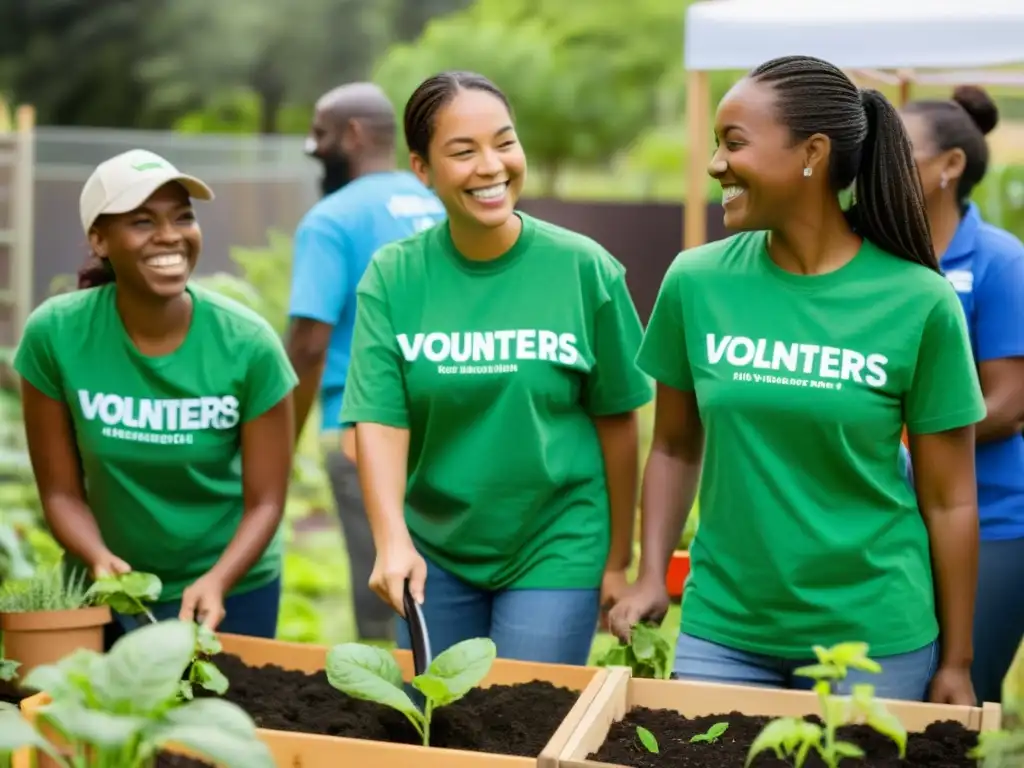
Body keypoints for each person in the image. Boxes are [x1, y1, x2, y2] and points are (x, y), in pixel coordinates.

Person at [609, 55, 986, 704]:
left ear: (812, 153)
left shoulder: (921, 302)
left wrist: (956, 660)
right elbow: (673, 445)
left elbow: (950, 499)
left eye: (734, 143)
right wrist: (649, 577)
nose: (715, 164)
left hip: (872, 640)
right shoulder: (696, 281)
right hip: (723, 632)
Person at [339, 71, 654, 665]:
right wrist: (392, 540)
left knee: (523, 718)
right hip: (434, 545)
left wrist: (617, 559)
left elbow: (617, 420)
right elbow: (378, 421)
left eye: (504, 143)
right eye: (463, 151)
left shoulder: (584, 270)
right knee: (439, 723)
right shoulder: (394, 276)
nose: (492, 166)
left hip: (555, 541)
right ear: (422, 169)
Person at [14, 149, 298, 644]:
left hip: (233, 589)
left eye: (182, 216)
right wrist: (99, 560)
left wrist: (218, 580)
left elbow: (266, 502)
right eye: (142, 221)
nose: (169, 235)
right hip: (105, 589)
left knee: (219, 721)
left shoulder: (248, 345)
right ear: (99, 240)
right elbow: (59, 492)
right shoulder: (56, 335)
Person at [285, 82, 445, 643]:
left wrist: (278, 452)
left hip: (361, 432)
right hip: (449, 427)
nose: (312, 147)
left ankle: (388, 713)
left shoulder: (333, 220)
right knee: (442, 580)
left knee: (382, 591)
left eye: (320, 133)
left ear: (352, 135)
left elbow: (308, 343)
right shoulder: (442, 202)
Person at [901, 86, 1024, 704]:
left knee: (958, 695)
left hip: (997, 517)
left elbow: (1009, 403)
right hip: (897, 516)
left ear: (950, 166)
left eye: (901, 152)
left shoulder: (1002, 261)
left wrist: (895, 436)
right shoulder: (880, 257)